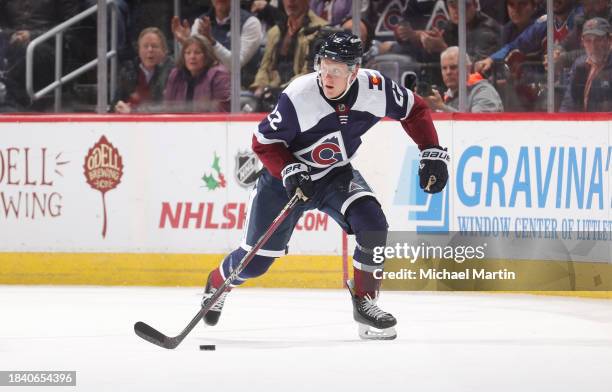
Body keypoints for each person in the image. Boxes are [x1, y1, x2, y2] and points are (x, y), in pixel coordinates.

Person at [200, 32, 449, 340]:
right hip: (284, 183)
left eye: (337, 70)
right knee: (254, 264)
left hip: (334, 175)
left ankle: (366, 305)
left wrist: (430, 149)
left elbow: (415, 109)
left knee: (372, 224)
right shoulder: (300, 96)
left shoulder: (376, 89)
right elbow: (263, 142)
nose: (326, 76)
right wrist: (290, 170)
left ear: (354, 71)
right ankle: (216, 281)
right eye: (323, 66)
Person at [171, 0, 263, 88]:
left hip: (241, 92)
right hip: (204, 89)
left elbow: (235, 65)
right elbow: (194, 64)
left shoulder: (250, 23)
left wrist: (211, 42)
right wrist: (184, 43)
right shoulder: (200, 22)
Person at [250, 0, 328, 97]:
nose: (291, 1)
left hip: (302, 94)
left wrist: (282, 90)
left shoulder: (321, 30)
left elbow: (310, 72)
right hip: (272, 93)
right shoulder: (275, 32)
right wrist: (260, 86)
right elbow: (264, 67)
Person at [423, 46, 503, 112]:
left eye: (453, 67)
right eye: (444, 68)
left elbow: (477, 125)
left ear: (467, 69)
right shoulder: (448, 96)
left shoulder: (484, 91)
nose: (448, 72)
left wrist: (441, 107)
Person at [112, 27, 173, 113]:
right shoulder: (128, 71)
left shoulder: (172, 72)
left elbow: (168, 107)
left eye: (154, 46)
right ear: (139, 51)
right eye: (145, 46)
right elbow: (115, 104)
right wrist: (118, 107)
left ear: (164, 51)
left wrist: (133, 111)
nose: (150, 50)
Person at [164, 35, 231, 112]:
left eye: (197, 53)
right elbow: (168, 109)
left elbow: (221, 112)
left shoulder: (218, 75)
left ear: (207, 55)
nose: (192, 57)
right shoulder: (176, 75)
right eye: (188, 53)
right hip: (179, 123)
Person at [559, 17, 612, 112]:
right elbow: (568, 102)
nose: (593, 46)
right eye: (588, 40)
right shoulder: (579, 64)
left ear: (609, 40)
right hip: (582, 123)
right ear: (582, 42)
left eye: (598, 40)